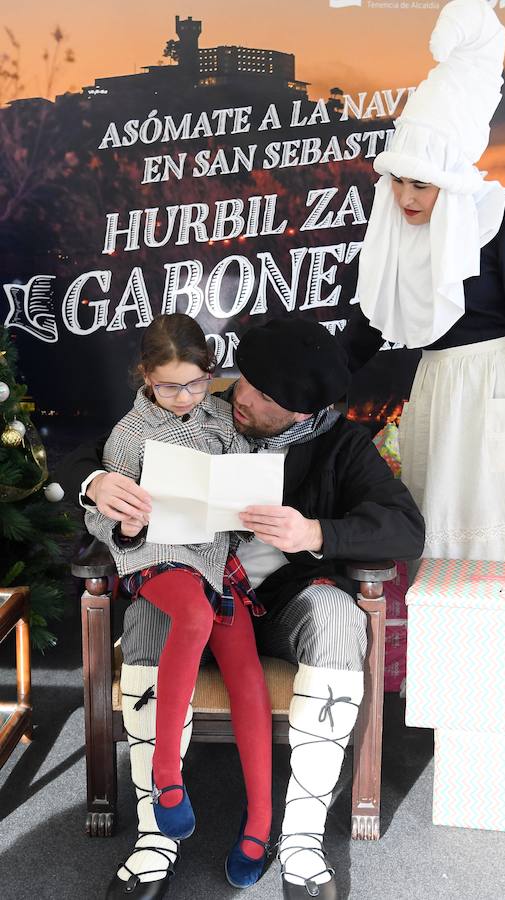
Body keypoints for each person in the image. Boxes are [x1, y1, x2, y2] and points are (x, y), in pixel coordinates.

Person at [59, 317, 425, 900]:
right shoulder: (199, 398)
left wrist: (313, 531)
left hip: (279, 608)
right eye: (245, 381)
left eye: (263, 396)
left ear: (302, 414)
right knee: (154, 613)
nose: (242, 396)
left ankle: (300, 837)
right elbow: (94, 449)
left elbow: (406, 530)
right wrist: (97, 484)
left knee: (337, 614)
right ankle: (157, 832)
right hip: (190, 592)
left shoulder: (341, 444)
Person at [345, 0, 505, 565]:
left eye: (422, 186)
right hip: (437, 394)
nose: (406, 198)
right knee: (443, 545)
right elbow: (368, 326)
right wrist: (301, 396)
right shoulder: (399, 230)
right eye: (398, 181)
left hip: (502, 393)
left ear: (450, 182)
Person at [84, 313, 273, 891]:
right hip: (156, 558)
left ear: (210, 375)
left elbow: (248, 485)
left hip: (215, 558)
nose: (184, 397)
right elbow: (98, 516)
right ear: (146, 377)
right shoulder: (130, 433)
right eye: (169, 386)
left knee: (245, 667)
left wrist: (249, 507)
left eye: (195, 383)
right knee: (191, 613)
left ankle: (260, 821)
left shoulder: (220, 419)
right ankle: (167, 774)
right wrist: (123, 516)